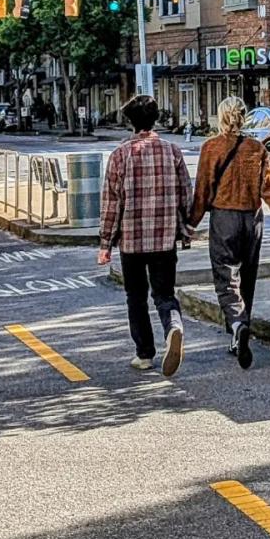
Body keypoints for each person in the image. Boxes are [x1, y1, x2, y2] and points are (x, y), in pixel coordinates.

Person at [189, 97, 270, 369]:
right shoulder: (256, 148)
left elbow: (203, 190)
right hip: (253, 220)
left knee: (225, 276)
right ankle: (239, 332)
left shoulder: (211, 148)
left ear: (221, 116)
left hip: (224, 217)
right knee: (247, 275)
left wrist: (190, 224)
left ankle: (238, 324)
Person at [97, 95, 192, 377]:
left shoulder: (120, 155)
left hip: (132, 241)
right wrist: (185, 230)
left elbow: (111, 204)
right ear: (155, 120)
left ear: (130, 122)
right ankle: (173, 325)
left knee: (135, 297)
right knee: (164, 293)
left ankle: (144, 354)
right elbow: (186, 195)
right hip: (164, 239)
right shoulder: (172, 151)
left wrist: (105, 244)